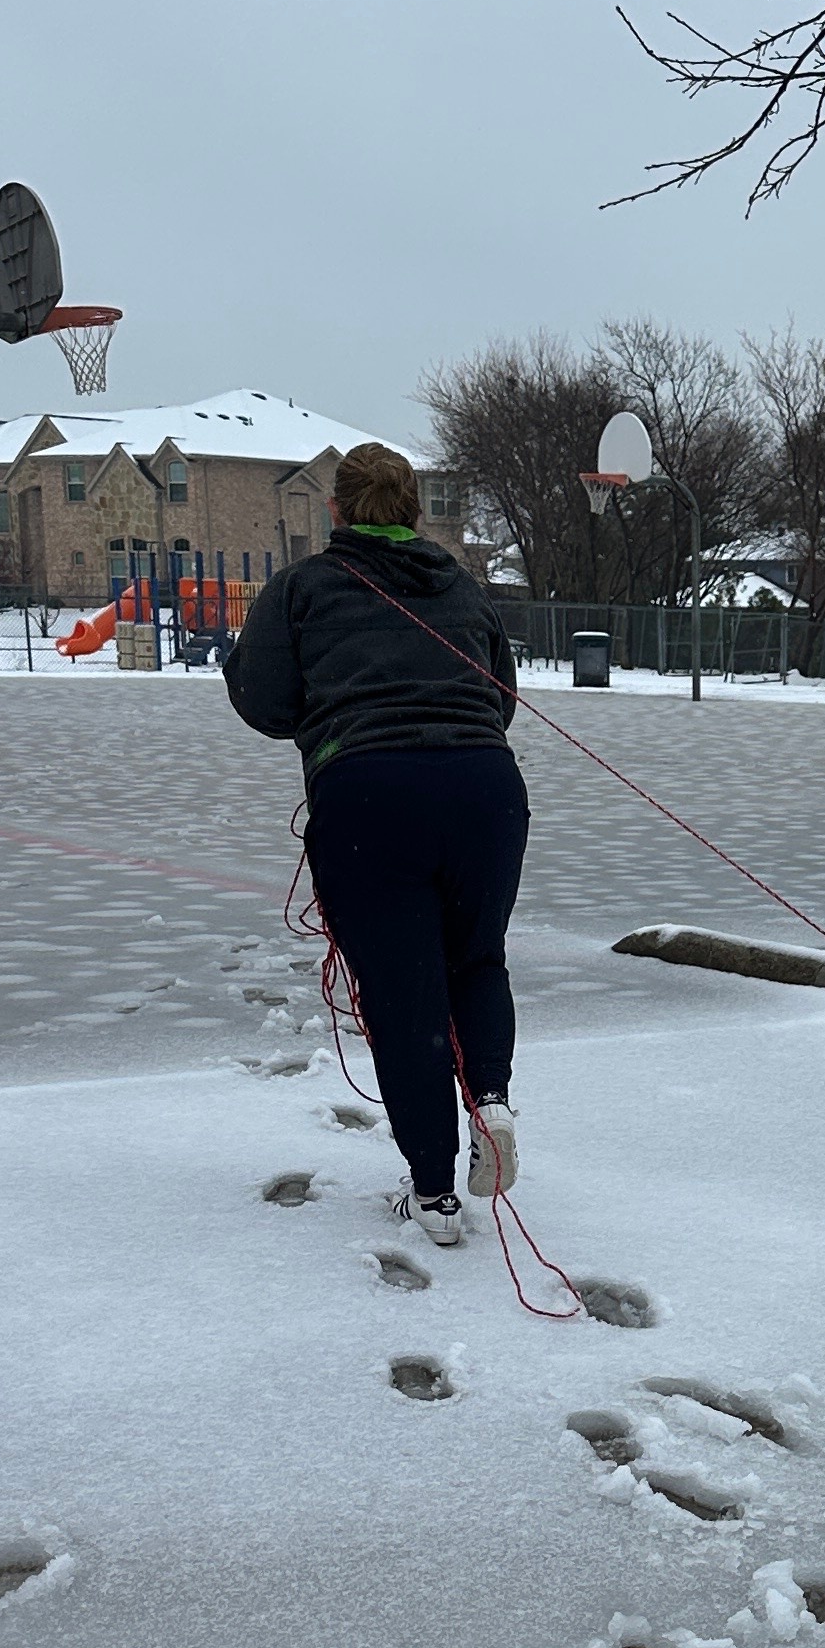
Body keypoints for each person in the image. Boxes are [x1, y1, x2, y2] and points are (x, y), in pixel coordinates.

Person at [224, 444, 522, 1250]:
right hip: (487, 790)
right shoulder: (462, 586)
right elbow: (501, 695)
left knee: (403, 997)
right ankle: (490, 1100)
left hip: (370, 796)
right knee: (477, 959)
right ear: (416, 511)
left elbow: (264, 700)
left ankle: (435, 1193)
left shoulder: (303, 587)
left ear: (336, 511)